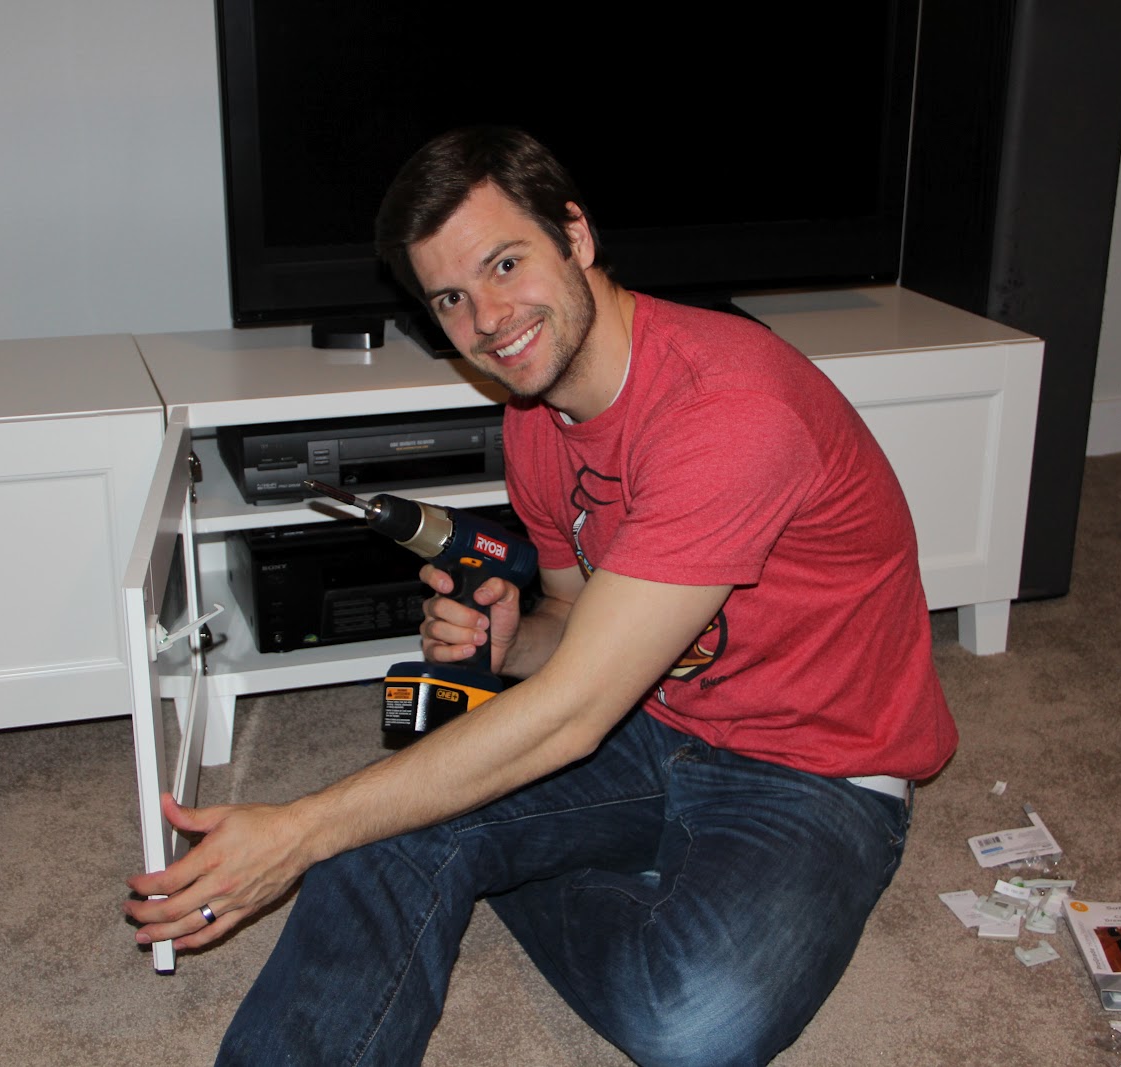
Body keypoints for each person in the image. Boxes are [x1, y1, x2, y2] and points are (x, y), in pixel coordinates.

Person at [125, 127, 958, 1067]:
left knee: (689, 1024)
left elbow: (569, 718)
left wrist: (301, 827)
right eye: (450, 298)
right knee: (382, 821)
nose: (487, 320)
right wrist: (512, 636)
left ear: (578, 236)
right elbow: (571, 624)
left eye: (505, 263)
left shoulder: (729, 410)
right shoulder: (535, 421)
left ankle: (486, 859)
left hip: (819, 772)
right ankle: (466, 850)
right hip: (654, 718)